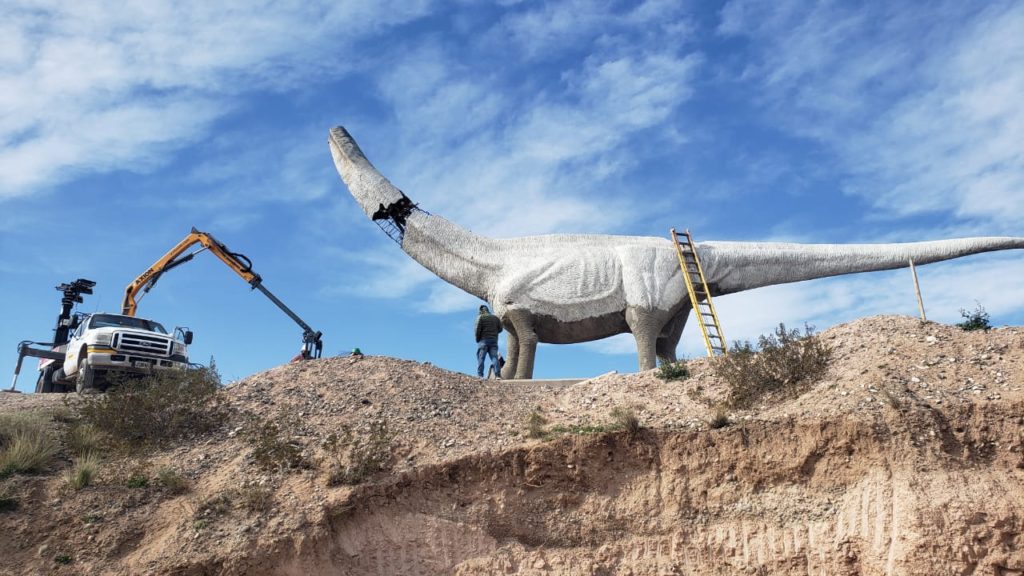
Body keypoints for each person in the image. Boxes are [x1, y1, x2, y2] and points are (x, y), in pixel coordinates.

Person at [475, 305, 502, 378]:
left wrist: (477, 339)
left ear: (481, 310)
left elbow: (477, 329)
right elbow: (500, 329)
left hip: (483, 341)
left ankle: (480, 375)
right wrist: (494, 333)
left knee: (481, 358)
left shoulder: (480, 317)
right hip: (493, 341)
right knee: (494, 358)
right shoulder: (495, 318)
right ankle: (497, 375)